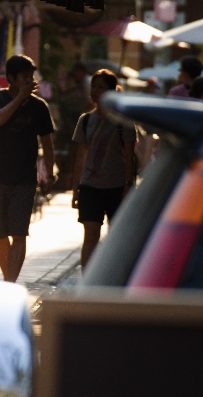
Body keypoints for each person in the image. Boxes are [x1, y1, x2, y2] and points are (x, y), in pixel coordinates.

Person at [0, 54, 56, 283]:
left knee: (19, 233)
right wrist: (20, 98)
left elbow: (47, 142)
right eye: (24, 76)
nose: (29, 81)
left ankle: (10, 284)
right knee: (0, 234)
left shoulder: (39, 107)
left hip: (25, 180)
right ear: (11, 78)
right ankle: (8, 278)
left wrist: (50, 174)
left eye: (31, 76)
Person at [71, 69, 137, 270]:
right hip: (90, 186)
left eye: (101, 87)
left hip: (116, 186)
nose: (95, 91)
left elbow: (129, 157)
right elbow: (80, 156)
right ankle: (87, 284)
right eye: (93, 86)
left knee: (116, 236)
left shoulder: (123, 120)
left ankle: (112, 279)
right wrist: (76, 188)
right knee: (90, 235)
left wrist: (128, 185)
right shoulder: (85, 120)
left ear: (111, 90)